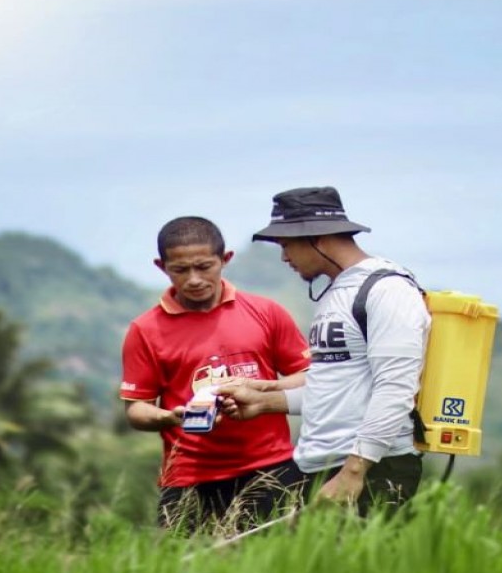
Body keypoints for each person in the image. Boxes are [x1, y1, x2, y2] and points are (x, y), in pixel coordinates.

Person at [217, 186, 430, 517]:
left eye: (287, 245)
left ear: (317, 237)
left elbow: (395, 387)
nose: (284, 257)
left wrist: (354, 471)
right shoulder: (336, 292)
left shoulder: (388, 290)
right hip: (320, 464)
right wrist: (265, 401)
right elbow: (334, 385)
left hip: (374, 466)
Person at [119, 216, 311, 534]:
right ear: (161, 266)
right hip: (188, 478)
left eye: (204, 266)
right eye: (180, 270)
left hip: (271, 468)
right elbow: (136, 409)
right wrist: (172, 417)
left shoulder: (266, 312)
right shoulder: (145, 329)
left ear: (225, 260)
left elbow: (307, 376)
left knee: (278, 568)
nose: (194, 279)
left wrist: (259, 392)